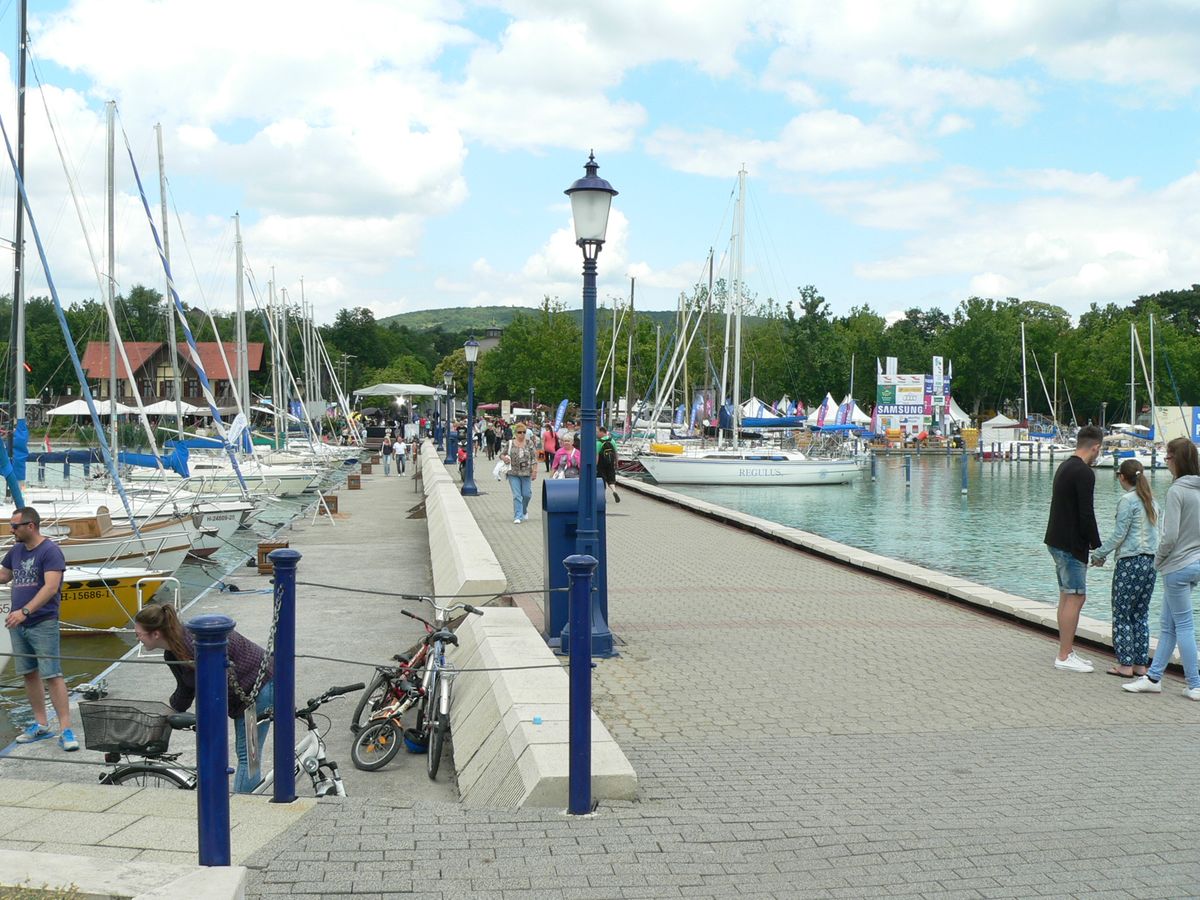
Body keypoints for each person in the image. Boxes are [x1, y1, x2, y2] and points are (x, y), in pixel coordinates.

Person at [133, 603, 275, 792]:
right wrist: (161, 722)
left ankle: (243, 808)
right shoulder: (172, 653)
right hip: (246, 692)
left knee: (248, 755)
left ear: (156, 634)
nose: (138, 638)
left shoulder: (192, 645)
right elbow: (185, 691)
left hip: (260, 686)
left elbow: (214, 688)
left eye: (139, 634)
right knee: (248, 755)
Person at [1124, 437, 1200, 700]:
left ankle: (1195, 684)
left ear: (1176, 460)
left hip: (1176, 566)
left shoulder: (1177, 490)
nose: (1165, 461)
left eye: (1167, 457)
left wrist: (1158, 560)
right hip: (1195, 564)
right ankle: (1154, 677)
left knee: (1184, 627)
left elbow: (1169, 536)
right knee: (1167, 625)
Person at [2, 507, 75, 750]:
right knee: (29, 673)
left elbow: (51, 588)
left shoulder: (50, 551)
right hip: (17, 623)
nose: (11, 530)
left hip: (42, 622)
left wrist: (25, 612)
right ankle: (41, 724)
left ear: (30, 526)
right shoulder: (16, 550)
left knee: (52, 674)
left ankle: (66, 730)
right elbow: (4, 576)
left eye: (15, 526)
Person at [1043, 425, 1103, 672]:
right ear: (1096, 447)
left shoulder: (1065, 466)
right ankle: (1065, 655)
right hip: (1071, 543)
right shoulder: (1085, 473)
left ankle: (1066, 650)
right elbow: (1086, 513)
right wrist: (1097, 545)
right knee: (1077, 596)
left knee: (1067, 595)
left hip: (1056, 539)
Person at [1090, 459, 1158, 677]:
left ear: (1122, 477)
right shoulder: (1152, 501)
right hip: (1151, 563)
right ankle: (1140, 664)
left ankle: (1125, 665)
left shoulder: (1127, 501)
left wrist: (1099, 554)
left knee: (1122, 613)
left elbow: (1119, 535)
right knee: (1140, 614)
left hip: (1131, 562)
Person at [501, 422, 539, 523]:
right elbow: (502, 454)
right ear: (515, 433)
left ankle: (524, 510)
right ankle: (518, 516)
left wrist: (535, 470)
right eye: (519, 432)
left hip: (526, 473)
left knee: (526, 494)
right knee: (517, 495)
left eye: (524, 432)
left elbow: (534, 458)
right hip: (513, 472)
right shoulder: (510, 443)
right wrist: (504, 458)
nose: (521, 434)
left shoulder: (529, 443)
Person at [597, 425, 620, 503]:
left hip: (601, 463)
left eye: (598, 432)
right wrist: (616, 463)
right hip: (610, 462)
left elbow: (596, 455)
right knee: (611, 479)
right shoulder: (612, 440)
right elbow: (616, 453)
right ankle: (614, 491)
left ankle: (603, 497)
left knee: (602, 480)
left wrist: (595, 466)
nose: (597, 434)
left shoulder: (599, 442)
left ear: (602, 432)